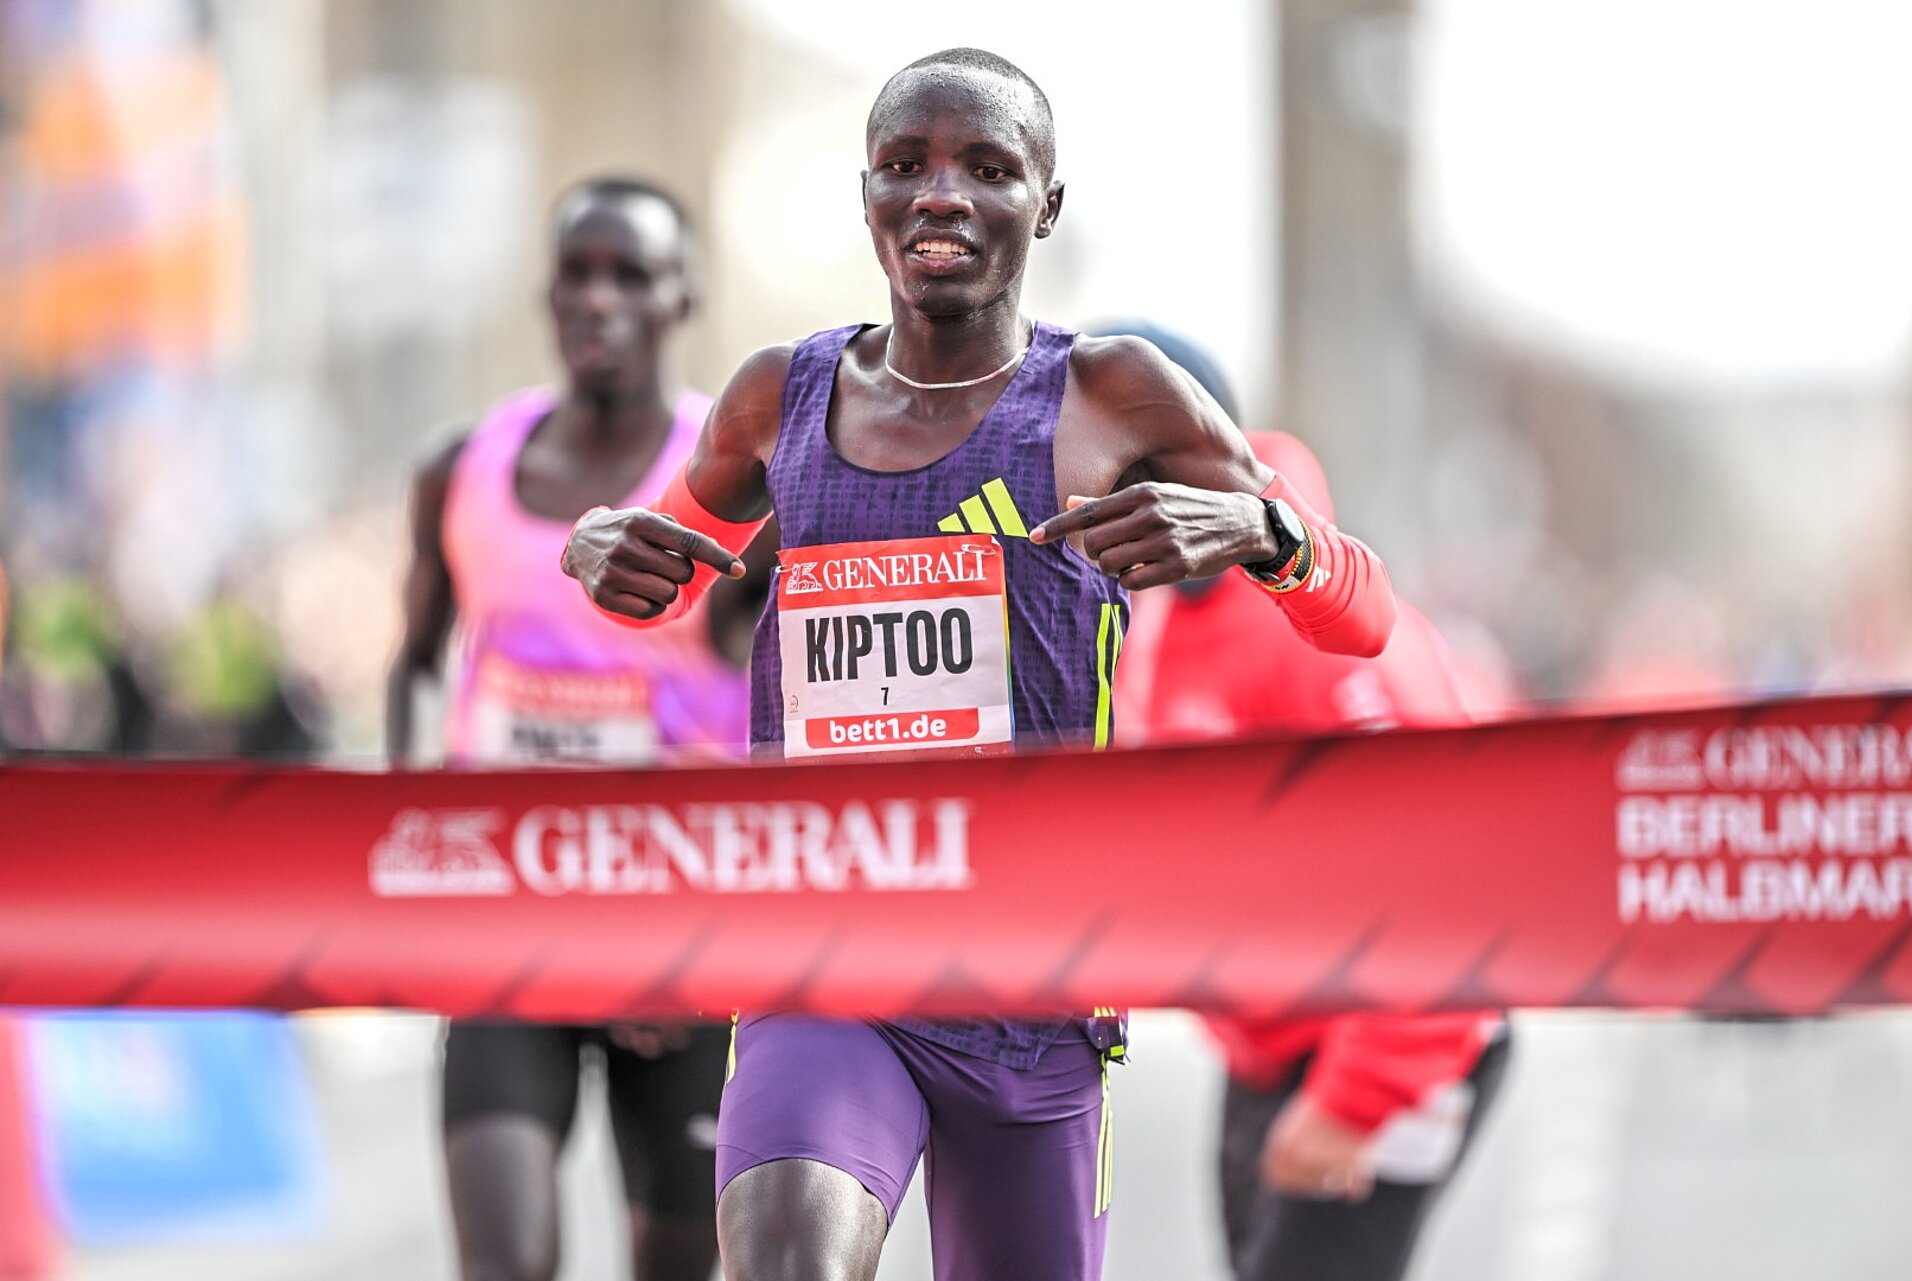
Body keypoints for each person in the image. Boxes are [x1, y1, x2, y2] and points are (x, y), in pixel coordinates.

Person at [560, 50, 1396, 1281]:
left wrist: (1265, 535)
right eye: (906, 166)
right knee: (786, 1261)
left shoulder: (1112, 396)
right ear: (867, 197)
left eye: (988, 169)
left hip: (1034, 984)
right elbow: (662, 575)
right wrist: (596, 547)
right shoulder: (776, 400)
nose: (940, 195)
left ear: (1046, 206)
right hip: (825, 961)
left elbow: (1361, 620)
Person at [1097, 320, 1507, 1281]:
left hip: (1388, 1041)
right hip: (1270, 1044)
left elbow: (1446, 875)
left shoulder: (1305, 616)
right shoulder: (1158, 603)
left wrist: (1358, 1098)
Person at [387, 175, 743, 1281]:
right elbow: (413, 666)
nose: (599, 301)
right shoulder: (463, 467)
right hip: (506, 918)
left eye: (630, 276)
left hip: (679, 940)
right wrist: (407, 843)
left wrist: (705, 938)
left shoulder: (734, 482)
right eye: (576, 275)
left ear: (683, 297)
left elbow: (781, 710)